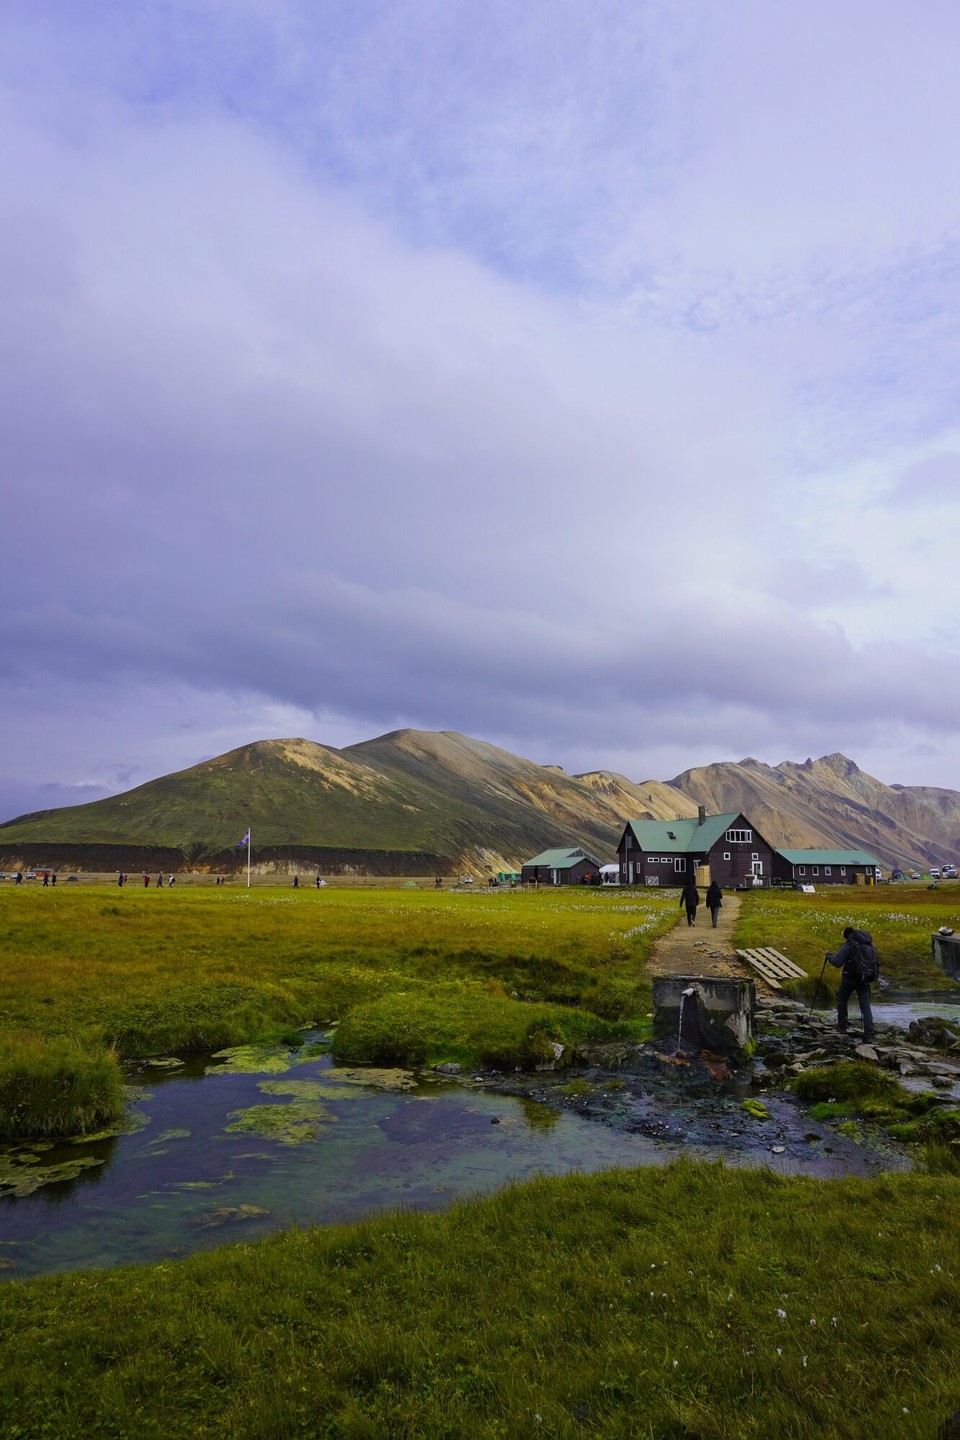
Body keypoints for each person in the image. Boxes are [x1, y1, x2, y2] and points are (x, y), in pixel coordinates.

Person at [826, 926, 877, 1041]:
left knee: (842, 999)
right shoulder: (869, 945)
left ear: (847, 936)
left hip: (849, 978)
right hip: (865, 979)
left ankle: (842, 1025)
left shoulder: (848, 945)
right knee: (865, 1006)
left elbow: (837, 963)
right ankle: (869, 1033)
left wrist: (829, 955)